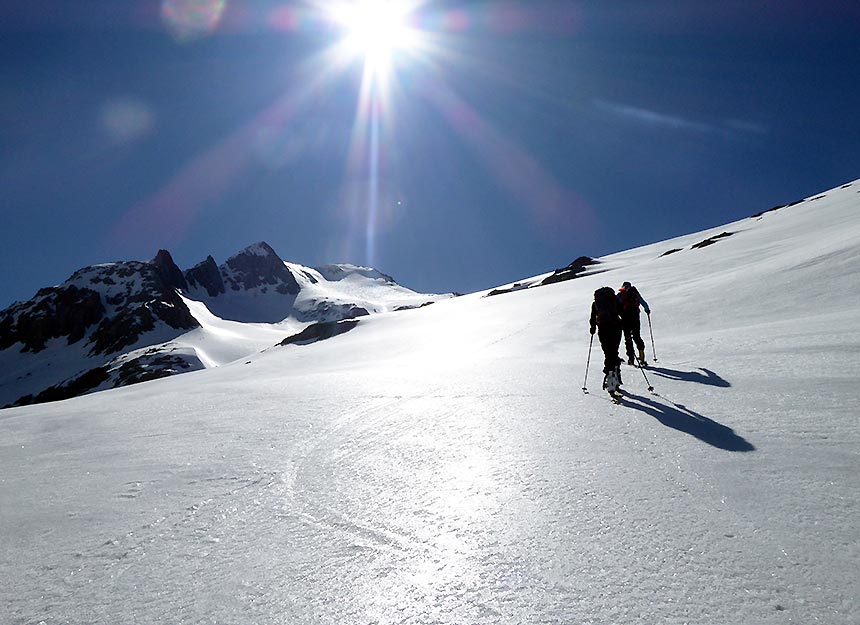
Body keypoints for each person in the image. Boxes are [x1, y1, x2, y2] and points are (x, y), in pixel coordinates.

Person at [590, 286, 623, 393]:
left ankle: (610, 376)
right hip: (616, 328)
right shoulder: (614, 300)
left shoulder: (596, 303)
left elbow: (592, 318)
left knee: (608, 353)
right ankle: (616, 373)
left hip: (603, 329)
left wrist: (593, 328)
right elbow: (622, 313)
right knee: (614, 351)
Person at [617, 281, 651, 365]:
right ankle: (642, 357)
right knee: (637, 336)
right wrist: (647, 310)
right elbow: (643, 303)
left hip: (625, 319)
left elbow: (616, 304)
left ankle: (631, 359)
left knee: (628, 338)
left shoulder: (621, 294)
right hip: (635, 317)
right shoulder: (635, 293)